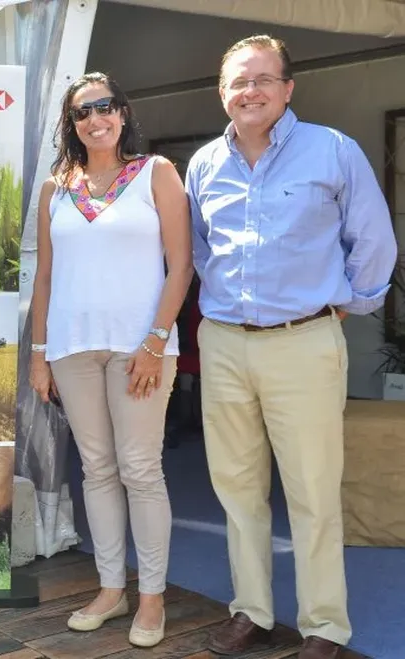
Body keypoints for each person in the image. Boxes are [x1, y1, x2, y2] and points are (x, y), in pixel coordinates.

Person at [186, 35, 396, 659]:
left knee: (312, 491)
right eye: (237, 83)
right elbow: (200, 249)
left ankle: (324, 626)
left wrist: (345, 302)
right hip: (224, 343)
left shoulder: (333, 151)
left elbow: (374, 240)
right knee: (236, 487)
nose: (249, 92)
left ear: (287, 88)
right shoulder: (204, 164)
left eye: (262, 80)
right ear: (222, 93)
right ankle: (251, 611)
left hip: (303, 342)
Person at [28, 72, 193, 649]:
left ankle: (151, 596)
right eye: (82, 112)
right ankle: (109, 587)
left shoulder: (156, 174)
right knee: (96, 468)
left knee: (140, 470)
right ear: (71, 125)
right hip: (72, 348)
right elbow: (45, 276)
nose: (95, 119)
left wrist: (155, 341)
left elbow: (181, 266)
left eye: (104, 107)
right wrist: (39, 353)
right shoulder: (56, 188)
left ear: (122, 113)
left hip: (138, 349)